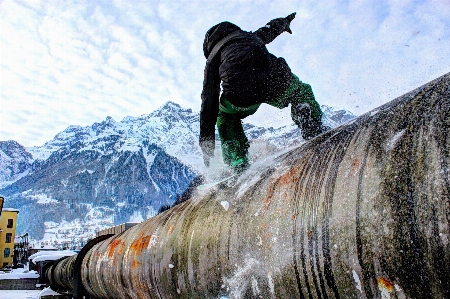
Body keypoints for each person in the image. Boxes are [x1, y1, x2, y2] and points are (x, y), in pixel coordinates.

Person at [199, 13, 328, 173]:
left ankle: (236, 156)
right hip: (274, 80)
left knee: (225, 116)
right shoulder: (249, 36)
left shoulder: (213, 57)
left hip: (240, 94)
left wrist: (206, 141)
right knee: (300, 91)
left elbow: (208, 98)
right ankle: (309, 119)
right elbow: (269, 29)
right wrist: (285, 22)